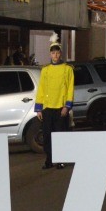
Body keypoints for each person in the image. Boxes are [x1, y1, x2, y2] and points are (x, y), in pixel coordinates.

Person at [35, 34, 74, 170]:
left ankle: (60, 160)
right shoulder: (45, 70)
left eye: (57, 53)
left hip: (60, 108)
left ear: (60, 53)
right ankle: (49, 160)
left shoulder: (68, 69)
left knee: (60, 135)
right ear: (50, 54)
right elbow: (41, 89)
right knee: (47, 136)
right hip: (47, 108)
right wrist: (39, 108)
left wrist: (67, 106)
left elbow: (70, 89)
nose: (55, 55)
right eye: (53, 53)